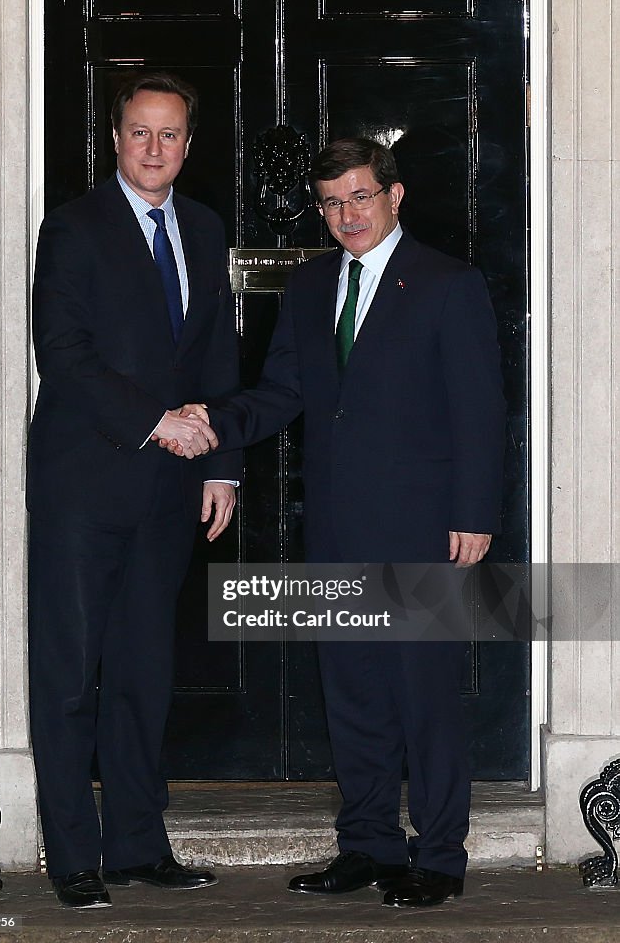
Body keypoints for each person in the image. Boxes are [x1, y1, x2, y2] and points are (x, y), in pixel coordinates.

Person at [169, 137, 505, 908]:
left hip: (428, 526)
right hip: (336, 521)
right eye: (331, 202)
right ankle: (366, 845)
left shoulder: (447, 284)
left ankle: (440, 856)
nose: (346, 214)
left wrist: (473, 514)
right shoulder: (313, 285)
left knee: (421, 692)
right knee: (352, 689)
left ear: (393, 196)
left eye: (359, 196)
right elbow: (281, 391)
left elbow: (478, 411)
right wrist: (214, 422)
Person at [26, 72, 241, 909]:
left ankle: (137, 847)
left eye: (171, 135)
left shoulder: (202, 226)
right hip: (85, 485)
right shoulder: (74, 229)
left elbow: (216, 355)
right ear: (115, 140)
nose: (155, 149)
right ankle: (72, 855)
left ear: (189, 146)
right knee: (72, 675)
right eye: (140, 133)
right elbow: (65, 354)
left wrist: (222, 460)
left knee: (145, 675)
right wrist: (158, 420)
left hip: (171, 488)